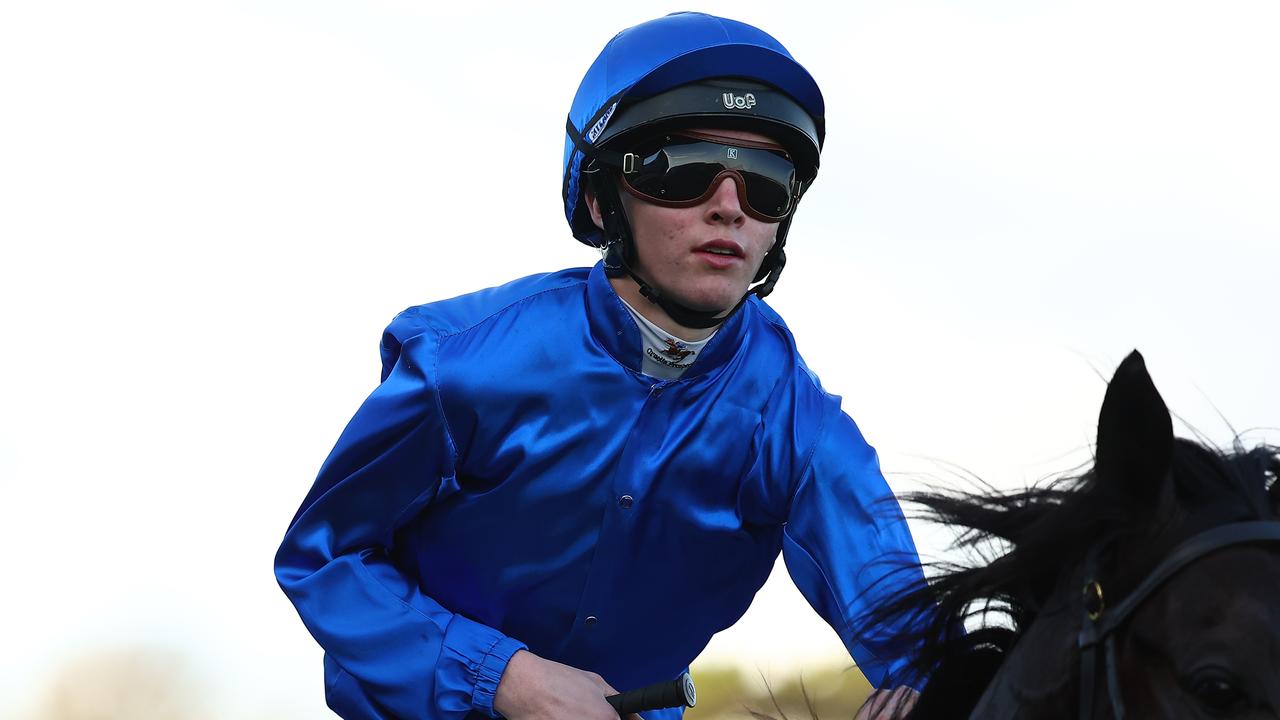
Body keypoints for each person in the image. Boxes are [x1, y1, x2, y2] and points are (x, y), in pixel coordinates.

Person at [275, 12, 930, 720]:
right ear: (599, 196)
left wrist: (928, 691)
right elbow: (323, 559)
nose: (730, 208)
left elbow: (913, 634)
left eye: (767, 181)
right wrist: (505, 679)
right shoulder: (459, 367)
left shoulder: (802, 431)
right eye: (684, 171)